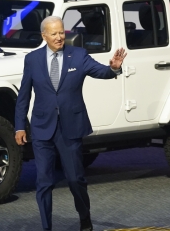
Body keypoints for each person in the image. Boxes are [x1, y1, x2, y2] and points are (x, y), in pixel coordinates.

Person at [14, 16, 127, 231]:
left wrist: (113, 68)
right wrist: (19, 126)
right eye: (54, 33)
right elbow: (24, 96)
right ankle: (46, 227)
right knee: (44, 182)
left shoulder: (78, 55)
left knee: (75, 179)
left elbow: (100, 71)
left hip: (70, 128)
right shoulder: (32, 59)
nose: (59, 37)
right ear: (44, 36)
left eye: (62, 32)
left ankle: (85, 217)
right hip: (41, 128)